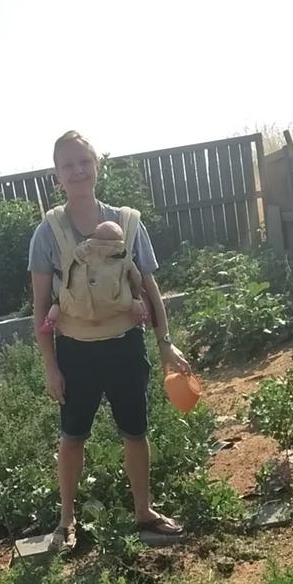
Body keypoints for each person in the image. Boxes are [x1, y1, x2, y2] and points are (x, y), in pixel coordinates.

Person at [29, 130, 191, 551]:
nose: (77, 171)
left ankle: (143, 512)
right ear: (57, 175)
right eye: (68, 165)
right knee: (72, 438)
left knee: (135, 433)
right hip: (75, 352)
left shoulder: (129, 224)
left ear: (97, 165)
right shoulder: (48, 233)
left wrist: (165, 342)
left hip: (124, 347)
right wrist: (51, 366)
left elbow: (151, 289)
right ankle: (66, 522)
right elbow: (40, 306)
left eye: (84, 161)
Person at [39, 219, 148, 335]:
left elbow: (71, 260)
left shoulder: (85, 250)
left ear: (95, 235)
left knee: (59, 302)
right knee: (132, 303)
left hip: (79, 302)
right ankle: (142, 318)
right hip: (116, 302)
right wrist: (135, 295)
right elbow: (136, 277)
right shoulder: (122, 257)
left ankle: (49, 321)